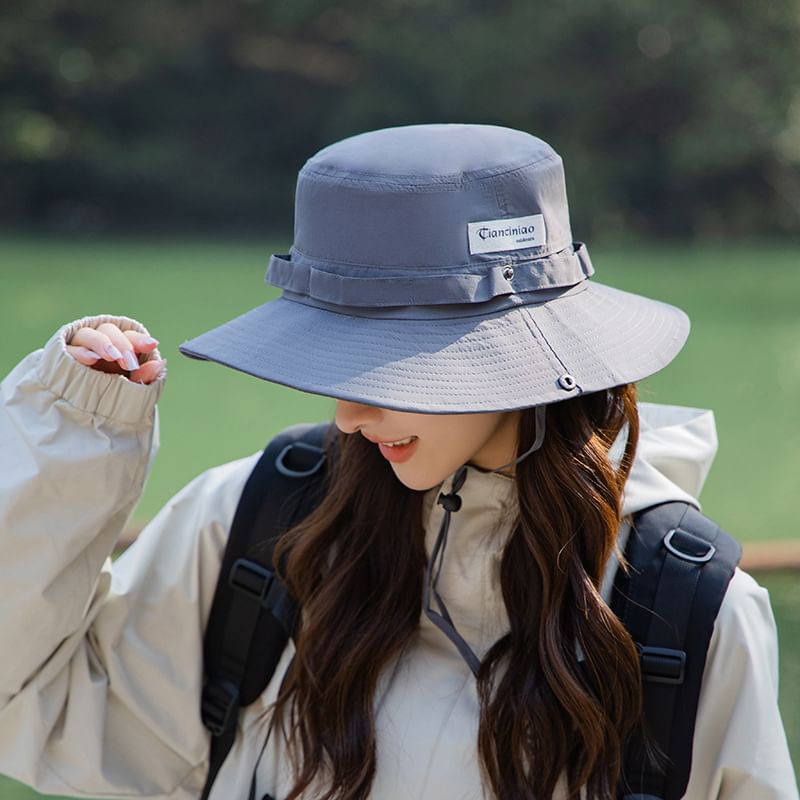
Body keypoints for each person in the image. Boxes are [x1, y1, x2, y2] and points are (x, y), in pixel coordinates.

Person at [0, 123, 796, 800]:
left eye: (385, 364)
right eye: (333, 362)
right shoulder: (259, 520)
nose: (347, 415)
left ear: (510, 350)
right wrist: (74, 431)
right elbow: (34, 703)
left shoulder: (688, 604)